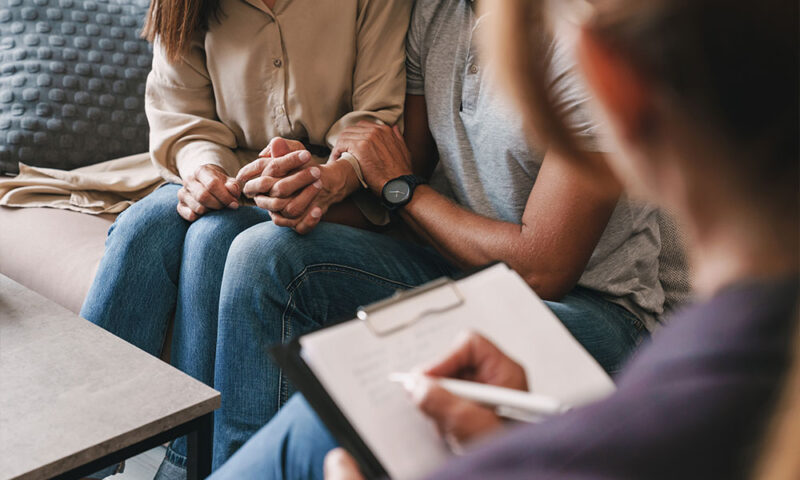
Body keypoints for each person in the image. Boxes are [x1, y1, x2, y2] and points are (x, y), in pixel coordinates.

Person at [225, 0, 796, 478]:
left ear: (613, 80)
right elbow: (411, 163)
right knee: (263, 252)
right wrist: (320, 189)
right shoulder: (435, 12)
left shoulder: (574, 32)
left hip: (589, 307)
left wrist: (400, 190)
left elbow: (543, 267)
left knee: (318, 423)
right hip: (458, 267)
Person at [78, 0, 412, 478]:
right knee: (143, 227)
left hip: (334, 185)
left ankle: (184, 466)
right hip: (231, 172)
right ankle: (69, 459)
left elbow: (375, 118)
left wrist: (327, 173)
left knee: (215, 235)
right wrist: (203, 171)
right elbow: (182, 116)